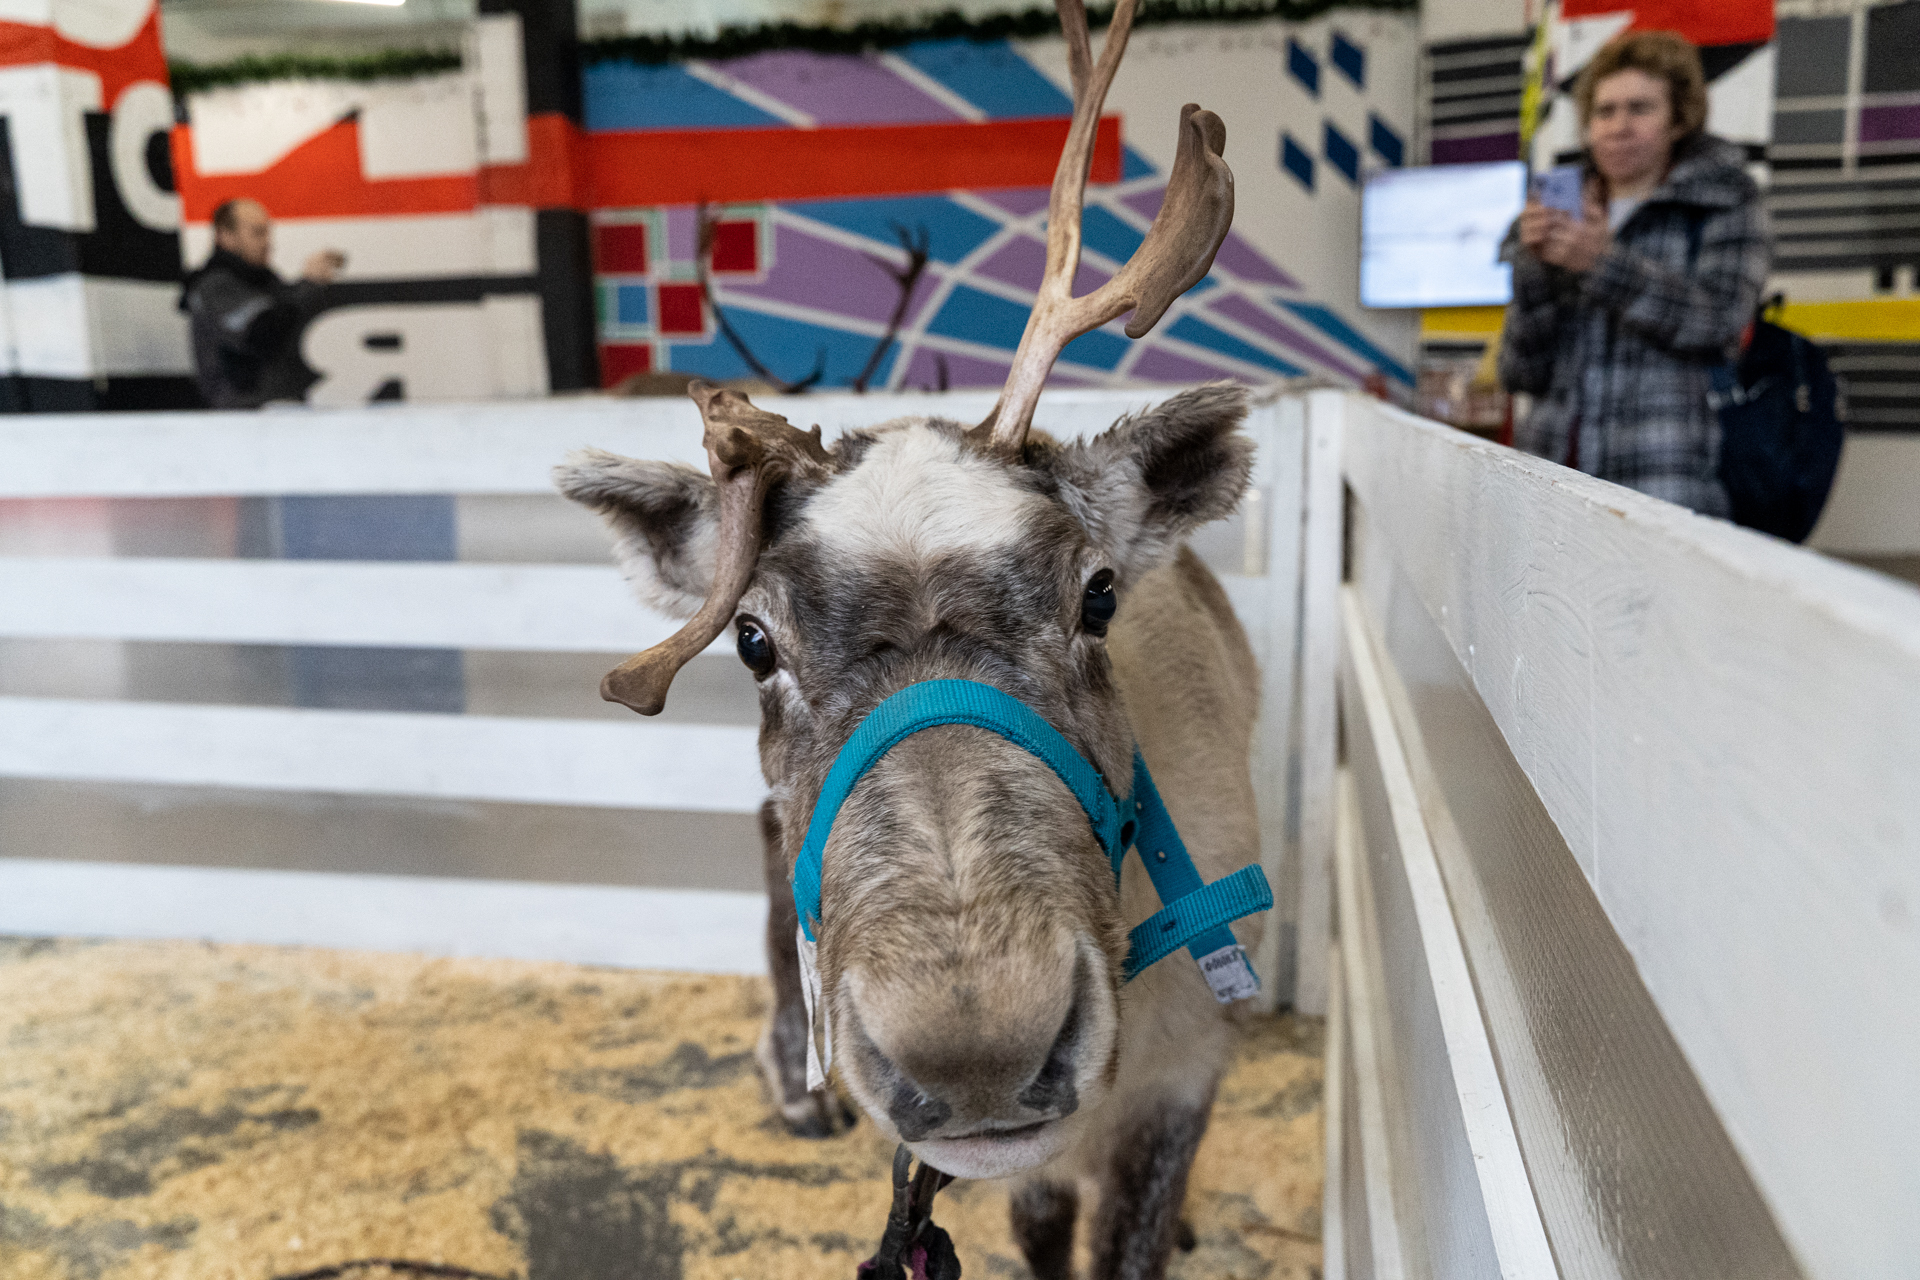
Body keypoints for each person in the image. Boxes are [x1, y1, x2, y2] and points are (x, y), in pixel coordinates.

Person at [1499, 32, 1773, 517]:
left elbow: (1719, 327)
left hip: (1667, 487)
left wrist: (1600, 264)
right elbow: (1522, 372)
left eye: (1640, 108)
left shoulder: (1725, 199)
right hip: (1552, 492)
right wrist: (1536, 271)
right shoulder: (1561, 205)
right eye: (1604, 112)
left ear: (1678, 119)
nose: (1618, 126)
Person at [180, 198, 345, 408]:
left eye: (268, 232)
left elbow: (282, 309)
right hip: (241, 416)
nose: (268, 242)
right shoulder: (213, 287)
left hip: (274, 411)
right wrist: (308, 285)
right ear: (226, 236)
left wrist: (310, 283)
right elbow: (263, 333)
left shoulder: (261, 279)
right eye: (258, 233)